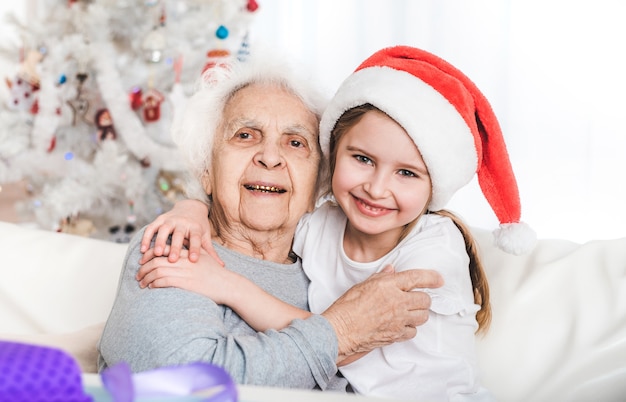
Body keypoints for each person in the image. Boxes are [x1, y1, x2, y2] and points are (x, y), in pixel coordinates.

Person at [137, 46, 537, 400]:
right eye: (362, 159)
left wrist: (227, 285)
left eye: (295, 143)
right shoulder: (318, 226)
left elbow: (351, 338)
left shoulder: (432, 251)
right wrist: (190, 209)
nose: (377, 188)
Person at [97, 48, 444, 392]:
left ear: (320, 181)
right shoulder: (175, 244)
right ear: (206, 170)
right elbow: (192, 385)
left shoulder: (333, 261)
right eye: (245, 135)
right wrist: (342, 332)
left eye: (295, 142)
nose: (270, 157)